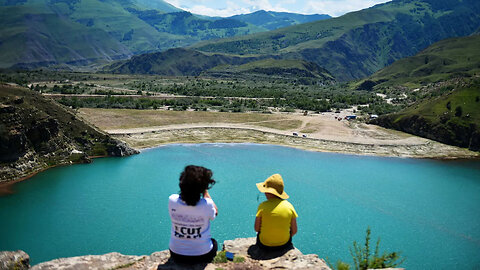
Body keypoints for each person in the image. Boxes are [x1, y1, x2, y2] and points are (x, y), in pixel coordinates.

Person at [168, 165, 219, 264]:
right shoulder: (206, 204)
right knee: (214, 242)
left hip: (176, 254)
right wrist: (205, 192)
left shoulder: (172, 200)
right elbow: (215, 212)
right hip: (203, 255)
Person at [254, 174, 298, 250]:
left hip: (264, 245)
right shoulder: (289, 206)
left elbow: (256, 229)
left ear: (268, 192)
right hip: (284, 245)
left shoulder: (262, 206)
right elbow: (294, 231)